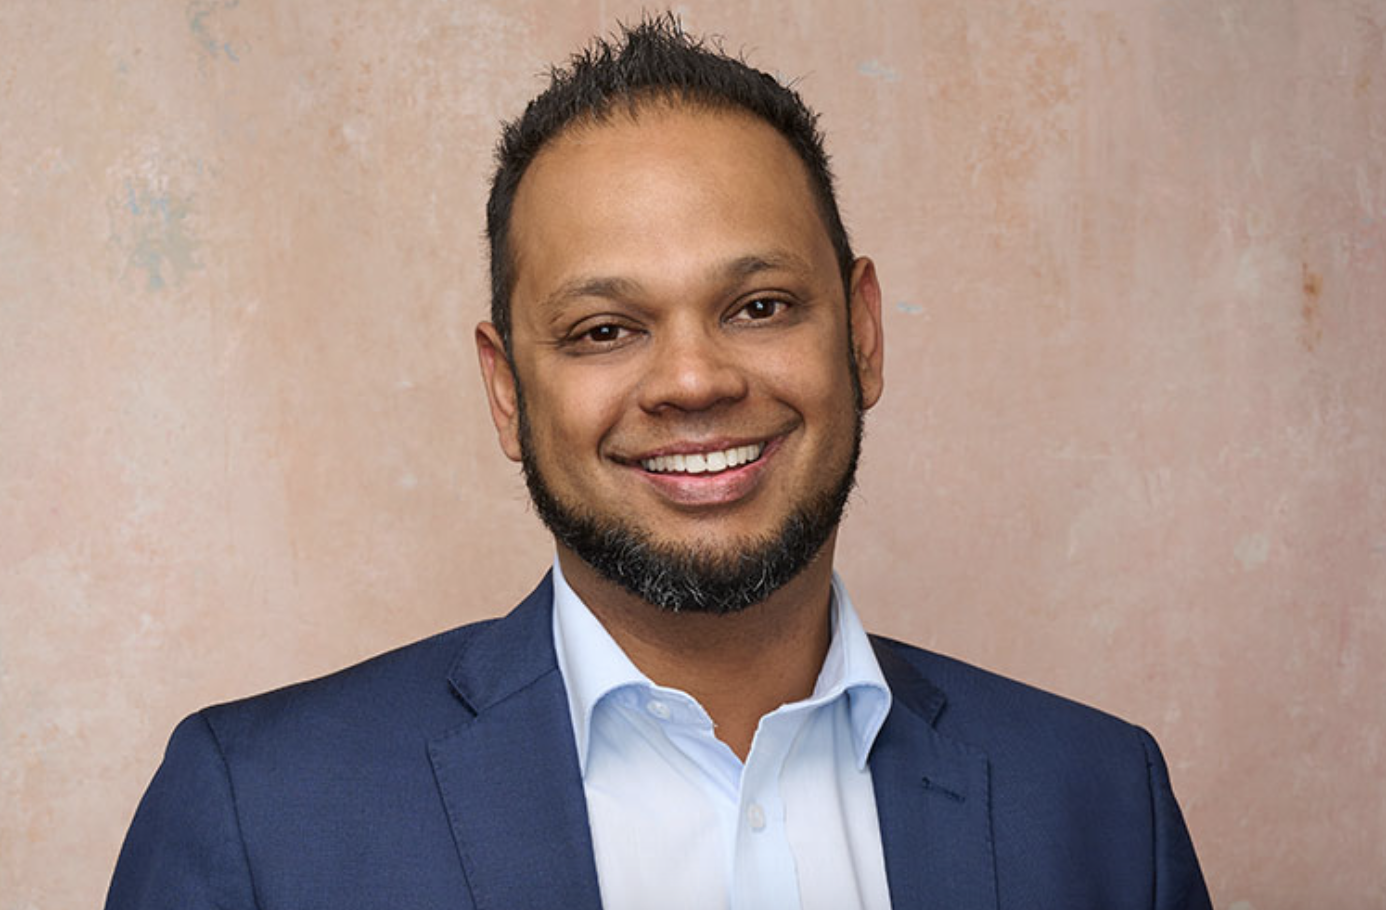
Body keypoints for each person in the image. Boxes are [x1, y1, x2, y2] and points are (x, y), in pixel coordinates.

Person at [105, 16, 1212, 910]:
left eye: (760, 305)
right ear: (506, 389)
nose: (693, 380)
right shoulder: (262, 812)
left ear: (863, 334)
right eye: (603, 329)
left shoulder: (1101, 805)